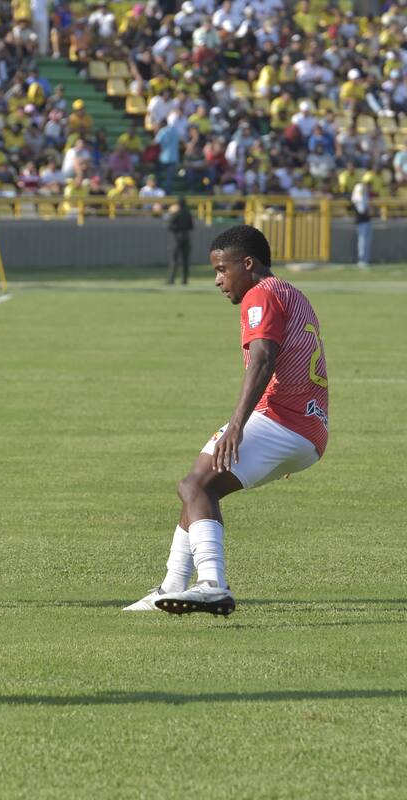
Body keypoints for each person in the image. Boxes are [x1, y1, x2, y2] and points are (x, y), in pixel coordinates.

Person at [125, 225, 329, 616]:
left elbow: (264, 358)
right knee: (198, 488)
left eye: (222, 269)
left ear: (248, 264)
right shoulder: (291, 292)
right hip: (309, 428)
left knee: (194, 484)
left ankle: (213, 584)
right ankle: (169, 587)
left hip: (279, 420)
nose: (218, 281)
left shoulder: (261, 294)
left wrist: (238, 424)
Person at [166, 196, 194, 285]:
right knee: (185, 260)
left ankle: (171, 279)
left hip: (177, 238)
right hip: (186, 237)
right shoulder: (188, 213)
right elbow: (191, 226)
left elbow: (170, 226)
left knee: (174, 259)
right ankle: (184, 280)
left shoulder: (176, 213)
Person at [351, 175, 372, 267]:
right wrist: (368, 211)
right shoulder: (358, 193)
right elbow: (361, 209)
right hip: (361, 220)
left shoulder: (364, 195)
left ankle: (365, 260)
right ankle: (361, 260)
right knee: (362, 241)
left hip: (366, 220)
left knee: (366, 241)